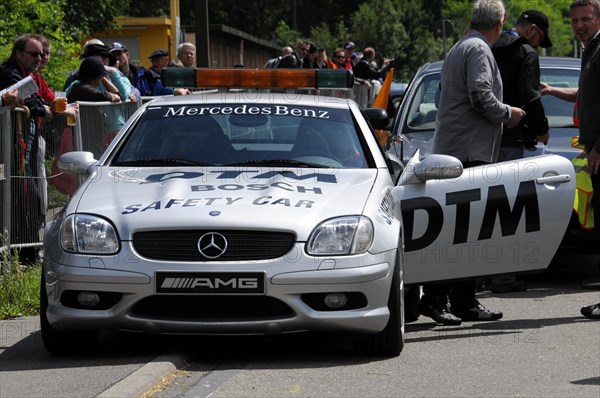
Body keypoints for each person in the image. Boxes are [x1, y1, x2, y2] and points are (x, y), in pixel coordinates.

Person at [419, 0, 526, 325]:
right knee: (461, 230)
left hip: (458, 149)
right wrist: (509, 114)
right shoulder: (478, 49)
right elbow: (481, 95)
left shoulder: (461, 46)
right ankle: (438, 299)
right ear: (501, 22)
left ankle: (463, 299)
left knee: (466, 230)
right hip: (469, 153)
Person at [489, 10, 553, 293]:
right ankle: (503, 277)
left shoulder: (487, 45)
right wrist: (542, 129)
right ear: (532, 30)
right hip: (512, 138)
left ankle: (479, 274)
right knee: (509, 208)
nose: (537, 45)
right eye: (539, 39)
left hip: (481, 139)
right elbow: (530, 94)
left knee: (486, 207)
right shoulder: (525, 52)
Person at [0, 34, 53, 264]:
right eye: (35, 54)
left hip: (23, 152)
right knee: (22, 199)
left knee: (27, 199)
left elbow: (40, 100)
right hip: (9, 152)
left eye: (42, 54)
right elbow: (33, 103)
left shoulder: (31, 76)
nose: (40, 58)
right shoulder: (8, 72)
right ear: (19, 54)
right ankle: (23, 255)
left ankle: (27, 254)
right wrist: (43, 109)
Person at [568, 0, 600, 317]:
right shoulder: (589, 50)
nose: (580, 25)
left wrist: (599, 148)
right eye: (576, 20)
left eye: (586, 19)